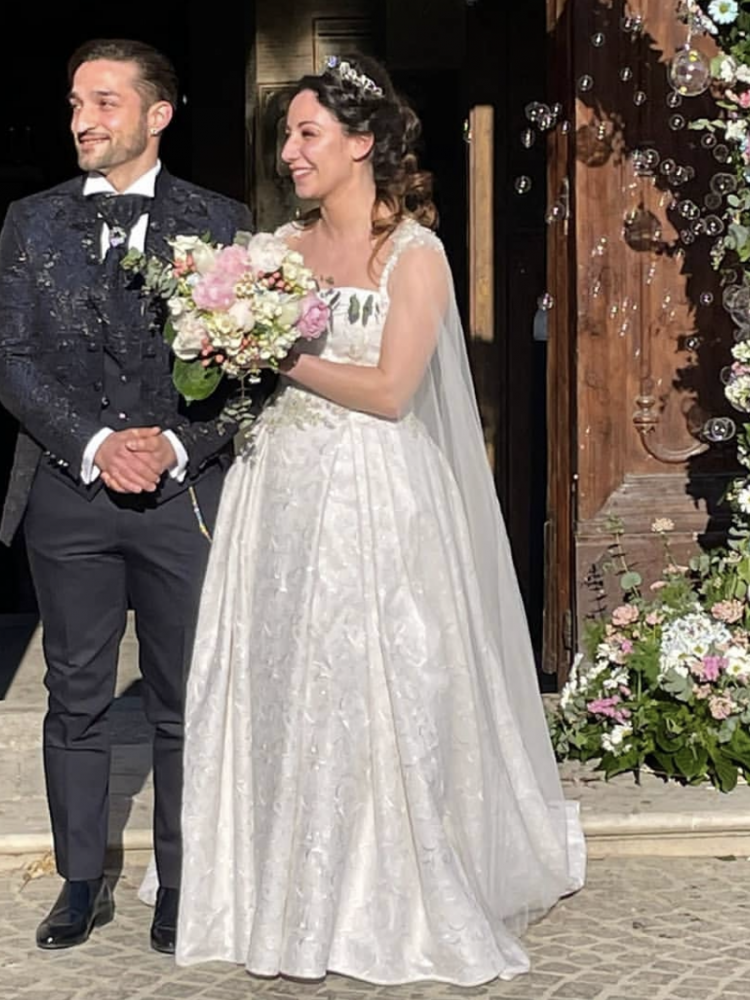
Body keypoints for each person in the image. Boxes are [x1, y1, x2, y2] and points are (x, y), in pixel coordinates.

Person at [172, 55, 585, 984]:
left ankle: (381, 892)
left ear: (363, 144)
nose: (290, 153)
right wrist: (230, 339)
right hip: (277, 493)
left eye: (308, 134)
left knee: (375, 679)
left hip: (374, 496)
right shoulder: (277, 248)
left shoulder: (417, 253)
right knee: (284, 680)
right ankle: (276, 888)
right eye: (286, 135)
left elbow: (395, 391)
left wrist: (275, 352)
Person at [0, 38, 252, 953]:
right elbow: (13, 362)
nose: (81, 119)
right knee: (76, 695)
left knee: (187, 698)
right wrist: (100, 445)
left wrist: (178, 445)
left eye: (105, 102)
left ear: (158, 115)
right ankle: (78, 882)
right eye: (75, 102)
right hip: (69, 496)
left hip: (184, 498)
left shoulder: (223, 220)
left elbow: (246, 370)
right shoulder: (29, 223)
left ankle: (181, 884)